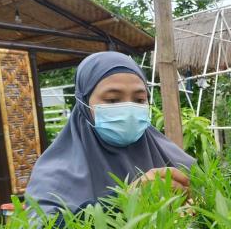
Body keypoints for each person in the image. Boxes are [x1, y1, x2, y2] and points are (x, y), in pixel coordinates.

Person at [26, 51, 194, 219]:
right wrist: (123, 202)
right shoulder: (57, 173)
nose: (128, 110)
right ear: (83, 105)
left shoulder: (172, 158)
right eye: (113, 100)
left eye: (139, 100)